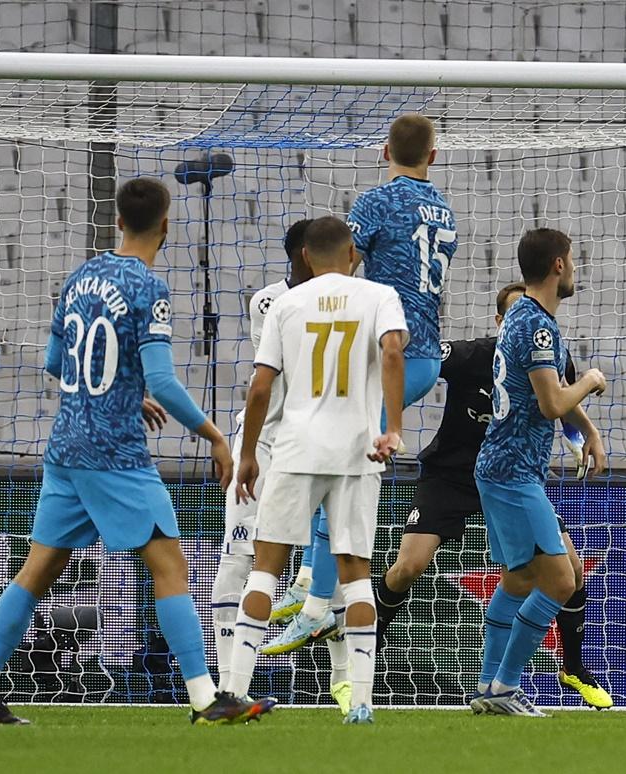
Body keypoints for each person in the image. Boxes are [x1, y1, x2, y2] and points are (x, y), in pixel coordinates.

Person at [0, 178, 272, 725]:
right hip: (115, 456)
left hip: (66, 448)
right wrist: (217, 437)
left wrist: (125, 391)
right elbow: (166, 380)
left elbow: (56, 365)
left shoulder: (80, 276)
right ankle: (206, 699)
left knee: (36, 572)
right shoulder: (147, 288)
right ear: (167, 225)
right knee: (170, 567)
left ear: (117, 224)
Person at [266, 113, 458, 651]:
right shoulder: (446, 212)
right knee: (340, 454)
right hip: (423, 358)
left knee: (340, 461)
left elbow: (343, 266)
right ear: (433, 156)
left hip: (389, 357)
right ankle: (309, 579)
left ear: (383, 152)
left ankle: (318, 605)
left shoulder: (375, 203)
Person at [372, 282, 612, 709]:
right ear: (501, 321)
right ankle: (368, 644)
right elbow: (423, 363)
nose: (527, 320)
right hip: (456, 475)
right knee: (408, 566)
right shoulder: (473, 355)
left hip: (509, 475)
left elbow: (562, 399)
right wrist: (388, 415)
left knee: (564, 572)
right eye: (516, 313)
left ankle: (567, 668)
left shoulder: (548, 352)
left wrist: (583, 436)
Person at [224, 216, 408, 726]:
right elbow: (393, 351)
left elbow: (261, 388)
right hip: (357, 451)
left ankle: (234, 692)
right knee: (356, 577)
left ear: (304, 256)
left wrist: (247, 456)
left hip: (296, 449)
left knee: (264, 569)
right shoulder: (379, 296)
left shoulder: (286, 303)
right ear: (352, 251)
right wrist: (392, 428)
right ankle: (363, 701)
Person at [207, 219, 356, 709]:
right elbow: (271, 378)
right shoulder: (270, 301)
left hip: (320, 445)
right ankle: (230, 683)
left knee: (334, 559)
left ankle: (344, 681)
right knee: (241, 559)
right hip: (268, 445)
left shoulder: (343, 301)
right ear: (303, 256)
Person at [471, 228, 607, 717]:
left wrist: (587, 430)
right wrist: (590, 381)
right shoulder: (539, 326)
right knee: (562, 582)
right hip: (513, 473)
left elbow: (546, 394)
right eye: (571, 260)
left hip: (504, 468)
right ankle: (504, 686)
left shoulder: (527, 316)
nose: (574, 268)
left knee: (518, 581)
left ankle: (489, 686)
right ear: (557, 266)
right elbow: (553, 402)